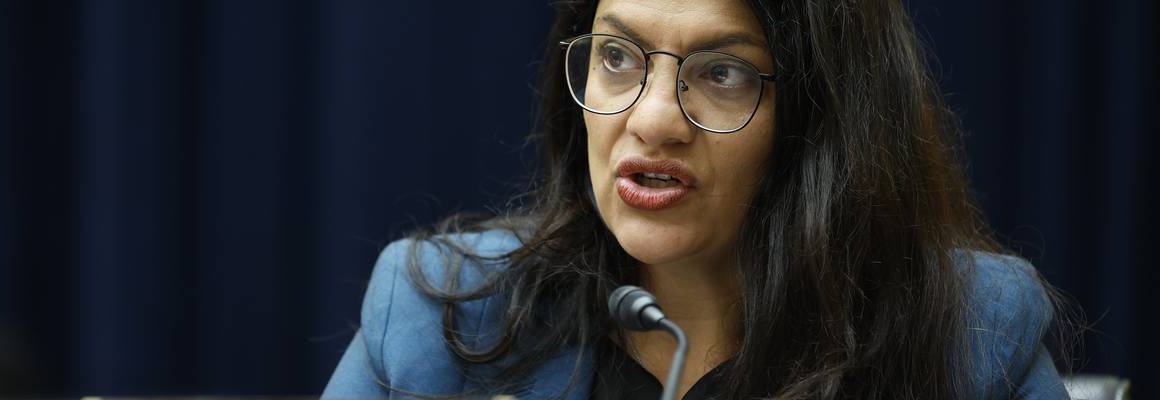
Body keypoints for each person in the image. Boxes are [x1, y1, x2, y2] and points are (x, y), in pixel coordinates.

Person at [324, 0, 1072, 398]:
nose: (650, 119)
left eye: (721, 74)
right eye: (617, 57)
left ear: (820, 120)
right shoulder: (442, 318)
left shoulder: (966, 336)